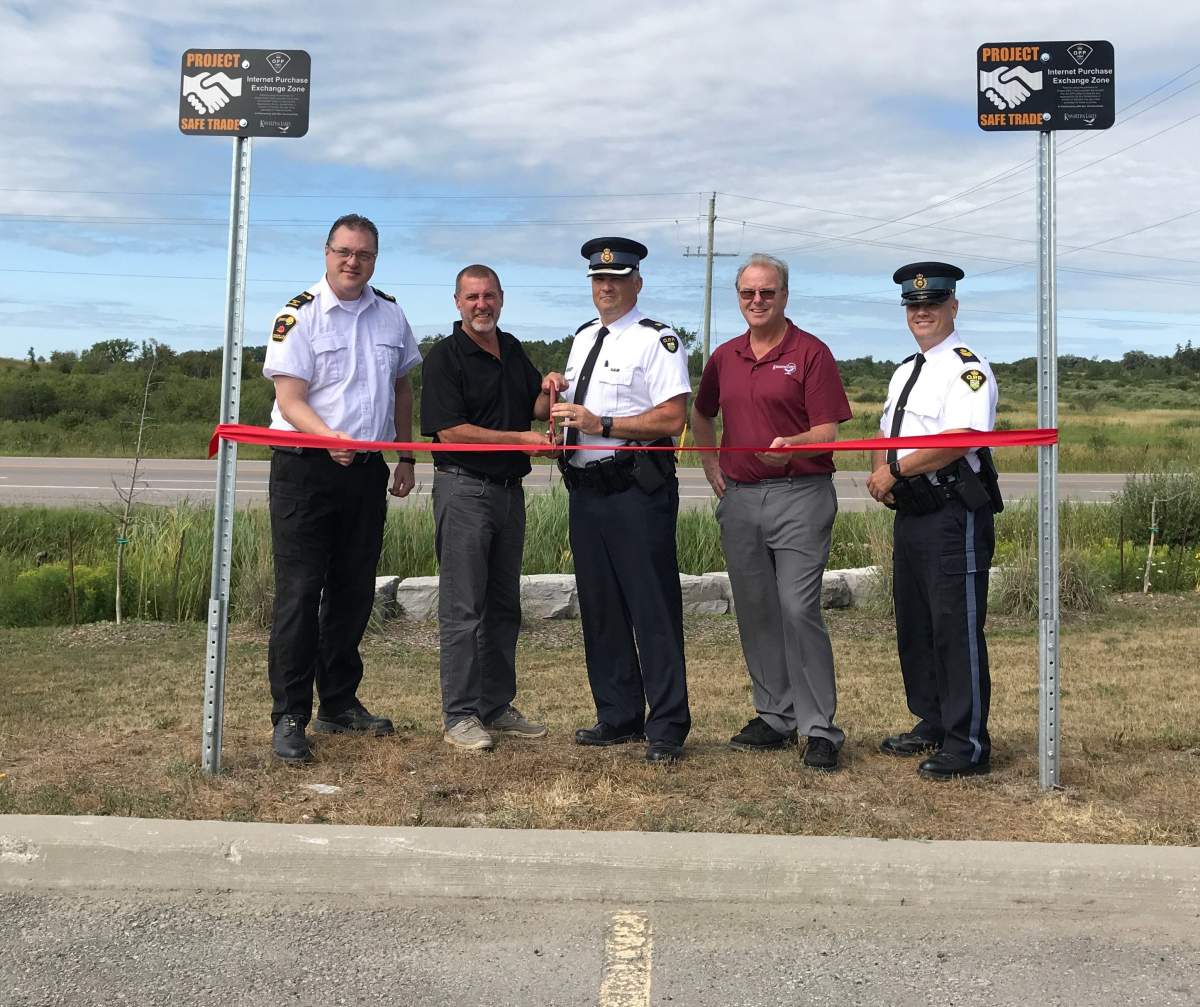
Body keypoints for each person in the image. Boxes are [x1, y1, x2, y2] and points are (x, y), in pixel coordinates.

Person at [261, 213, 421, 764]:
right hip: (305, 467)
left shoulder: (392, 314)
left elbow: (401, 387)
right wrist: (328, 438)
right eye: (344, 252)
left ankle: (338, 702)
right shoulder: (297, 315)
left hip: (366, 469)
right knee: (302, 593)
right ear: (326, 252)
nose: (353, 262)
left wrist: (404, 453)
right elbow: (290, 398)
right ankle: (289, 715)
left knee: (354, 590)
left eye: (365, 254)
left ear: (375, 259)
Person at [691, 253, 853, 771]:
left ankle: (819, 728)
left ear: (785, 295)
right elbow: (701, 413)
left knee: (798, 608)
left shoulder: (810, 353)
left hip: (799, 494)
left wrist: (794, 445)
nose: (756, 301)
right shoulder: (724, 356)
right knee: (756, 609)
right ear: (738, 297)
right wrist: (712, 468)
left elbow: (828, 432)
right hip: (739, 499)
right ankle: (776, 715)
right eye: (747, 293)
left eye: (767, 292)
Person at [545, 237, 692, 763]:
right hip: (587, 489)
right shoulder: (585, 337)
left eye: (616, 278)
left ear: (637, 282)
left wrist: (601, 423)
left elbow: (672, 418)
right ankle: (618, 713)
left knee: (651, 608)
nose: (605, 287)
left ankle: (668, 724)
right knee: (601, 608)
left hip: (636, 488)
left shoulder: (658, 340)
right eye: (597, 279)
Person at [867, 261, 1002, 781]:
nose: (921, 313)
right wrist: (882, 472)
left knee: (956, 628)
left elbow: (961, 437)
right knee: (917, 624)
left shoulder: (967, 368)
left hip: (952, 513)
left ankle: (968, 742)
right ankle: (933, 719)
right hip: (913, 512)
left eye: (931, 304)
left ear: (953, 306)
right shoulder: (907, 369)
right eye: (913, 306)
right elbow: (885, 433)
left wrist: (896, 470)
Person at [420, 265, 556, 752]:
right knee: (464, 609)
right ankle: (460, 715)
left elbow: (537, 409)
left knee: (503, 607)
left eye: (490, 296)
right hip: (464, 491)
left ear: (502, 298)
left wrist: (550, 389)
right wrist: (520, 438)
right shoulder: (444, 357)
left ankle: (496, 705)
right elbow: (450, 432)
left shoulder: (512, 348)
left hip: (507, 493)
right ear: (457, 302)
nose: (482, 304)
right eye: (473, 297)